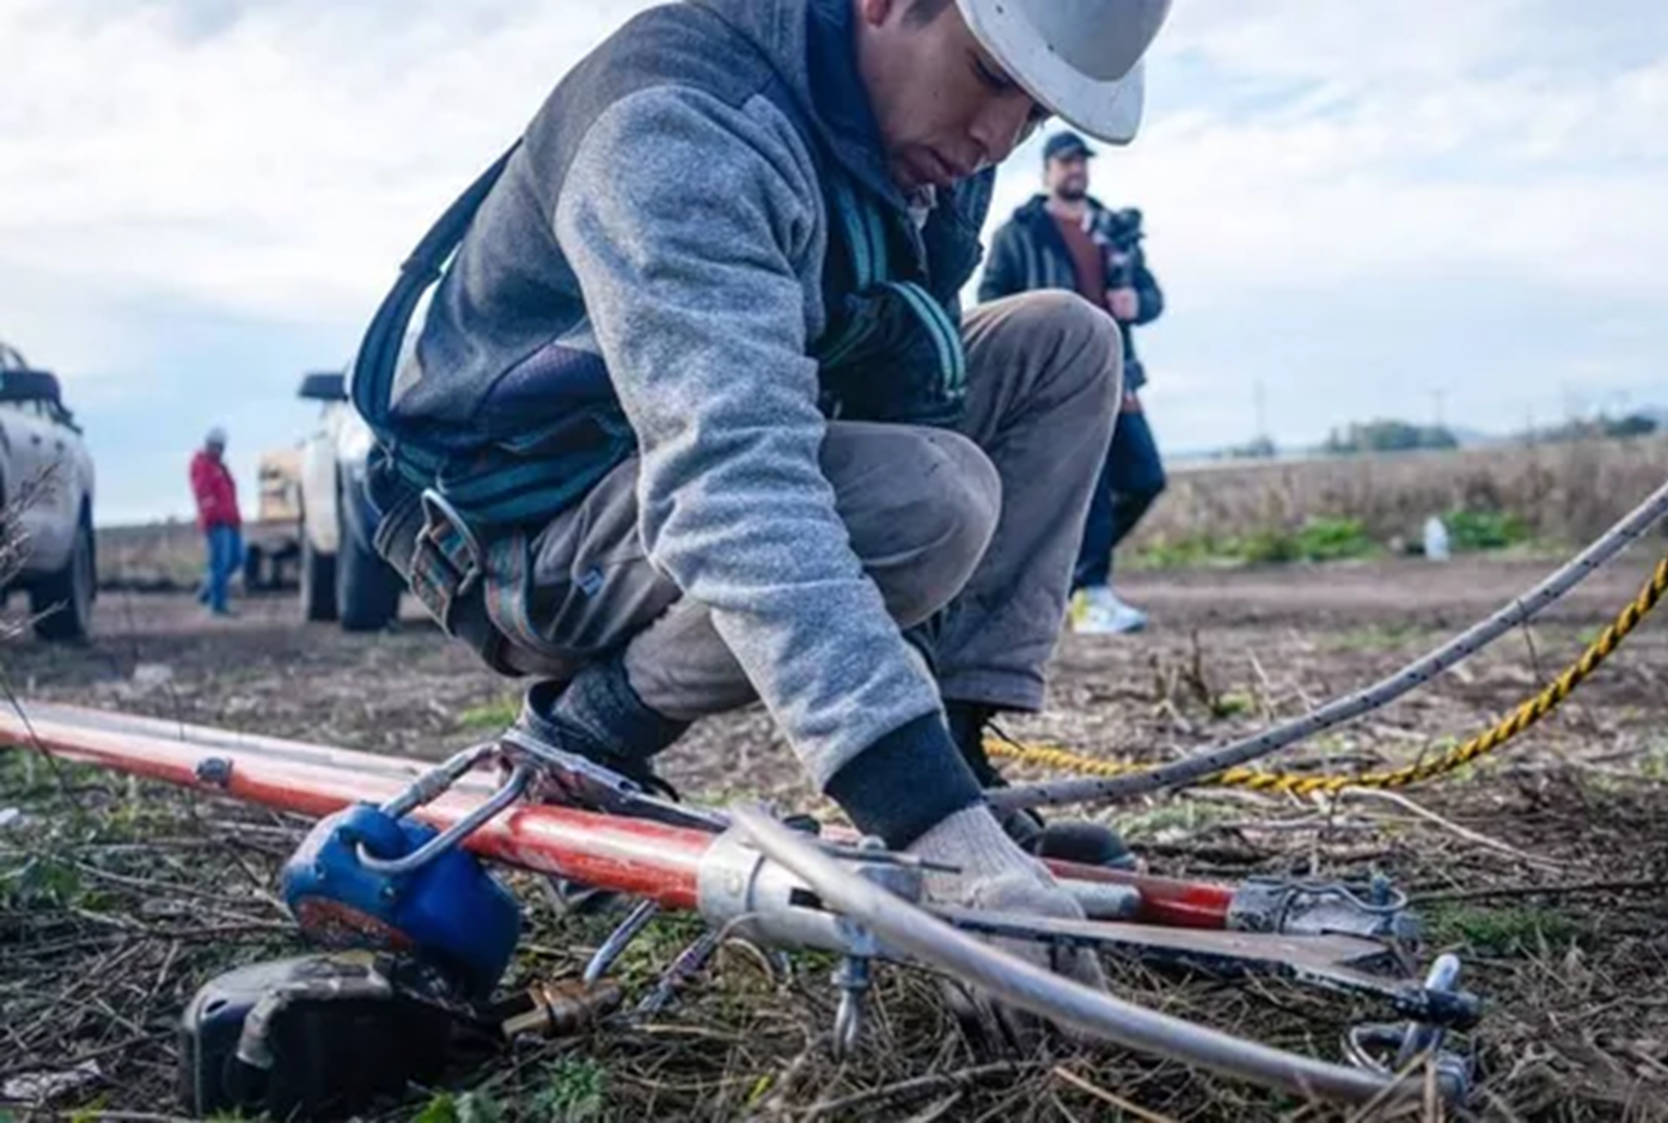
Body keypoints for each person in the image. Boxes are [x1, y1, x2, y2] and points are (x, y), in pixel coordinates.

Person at [349, 0, 1172, 989]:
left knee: (1066, 346)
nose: (997, 136)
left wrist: (954, 800)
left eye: (1035, 114)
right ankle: (587, 733)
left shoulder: (933, 140)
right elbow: (737, 483)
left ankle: (957, 753)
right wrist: (922, 820)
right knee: (928, 499)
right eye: (991, 78)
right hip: (523, 527)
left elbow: (911, 373)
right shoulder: (679, 124)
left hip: (680, 466)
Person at [978, 131, 1166, 634]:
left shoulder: (1114, 231)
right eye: (1066, 162)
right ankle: (1090, 593)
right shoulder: (1018, 234)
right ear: (1046, 172)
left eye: (1082, 161)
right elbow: (990, 300)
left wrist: (1138, 304)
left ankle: (1066, 572)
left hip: (1119, 374)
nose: (1076, 169)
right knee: (1093, 483)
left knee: (1146, 478)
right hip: (1058, 382)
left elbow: (1152, 297)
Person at [189, 427, 244, 617]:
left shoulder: (220, 467)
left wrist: (235, 518)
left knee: (237, 558)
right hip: (217, 523)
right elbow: (203, 493)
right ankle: (217, 606)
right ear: (209, 445)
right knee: (220, 563)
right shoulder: (202, 465)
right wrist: (214, 515)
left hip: (230, 521)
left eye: (221, 447)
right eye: (216, 446)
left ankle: (207, 592)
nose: (219, 450)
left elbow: (229, 493)